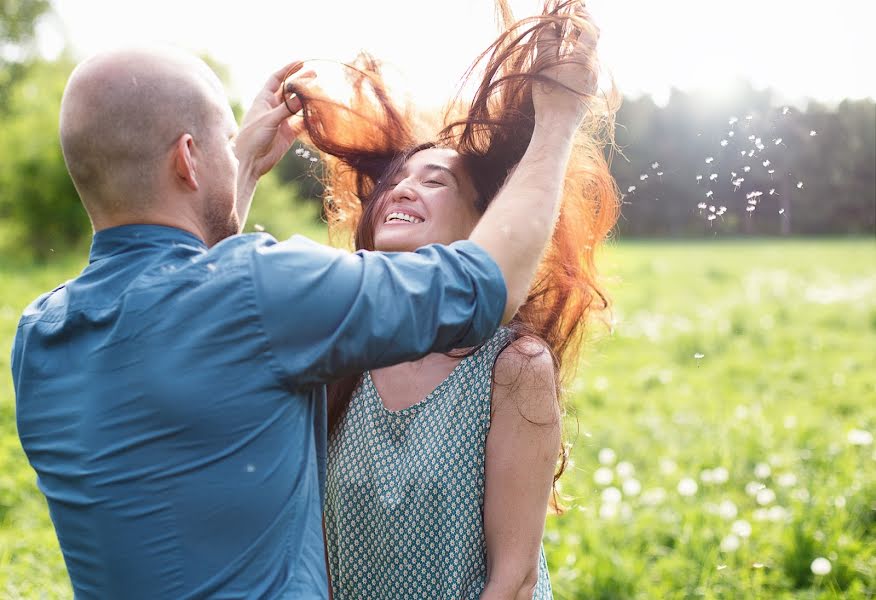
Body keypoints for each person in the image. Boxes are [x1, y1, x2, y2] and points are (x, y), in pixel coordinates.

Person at [9, 23, 590, 600]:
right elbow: (483, 284)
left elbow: (185, 306)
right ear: (189, 160)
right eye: (220, 144)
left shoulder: (39, 339)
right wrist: (560, 116)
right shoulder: (260, 294)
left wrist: (237, 168)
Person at [293, 1, 620, 597]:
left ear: (484, 225)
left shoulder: (513, 367)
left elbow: (514, 579)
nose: (404, 188)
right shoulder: (340, 352)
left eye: (435, 180)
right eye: (395, 181)